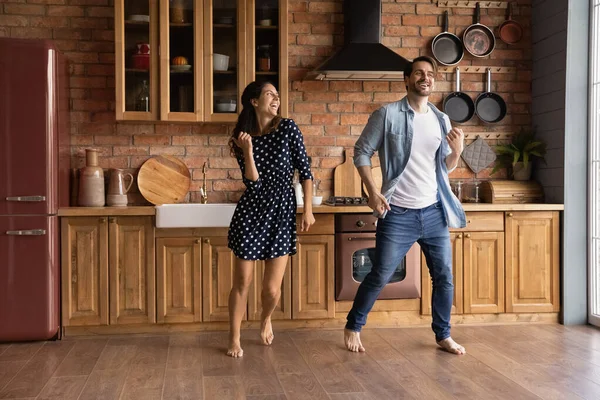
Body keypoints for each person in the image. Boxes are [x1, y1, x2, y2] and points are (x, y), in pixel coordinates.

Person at [345, 56, 467, 355]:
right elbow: (361, 152)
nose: (425, 78)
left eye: (430, 74)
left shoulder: (441, 119)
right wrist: (372, 192)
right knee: (381, 274)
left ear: (433, 81)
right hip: (398, 211)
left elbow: (443, 168)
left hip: (434, 210)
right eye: (418, 74)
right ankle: (353, 325)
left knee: (443, 276)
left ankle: (443, 335)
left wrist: (458, 152)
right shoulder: (387, 114)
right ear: (407, 79)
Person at [226, 80, 315, 358]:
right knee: (243, 282)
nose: (276, 99)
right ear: (254, 101)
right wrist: (248, 152)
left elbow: (305, 172)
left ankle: (265, 318)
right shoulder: (241, 138)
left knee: (271, 289)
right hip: (252, 213)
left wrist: (307, 209)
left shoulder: (288, 128)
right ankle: (235, 338)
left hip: (281, 212)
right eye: (269, 94)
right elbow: (253, 183)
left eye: (277, 95)